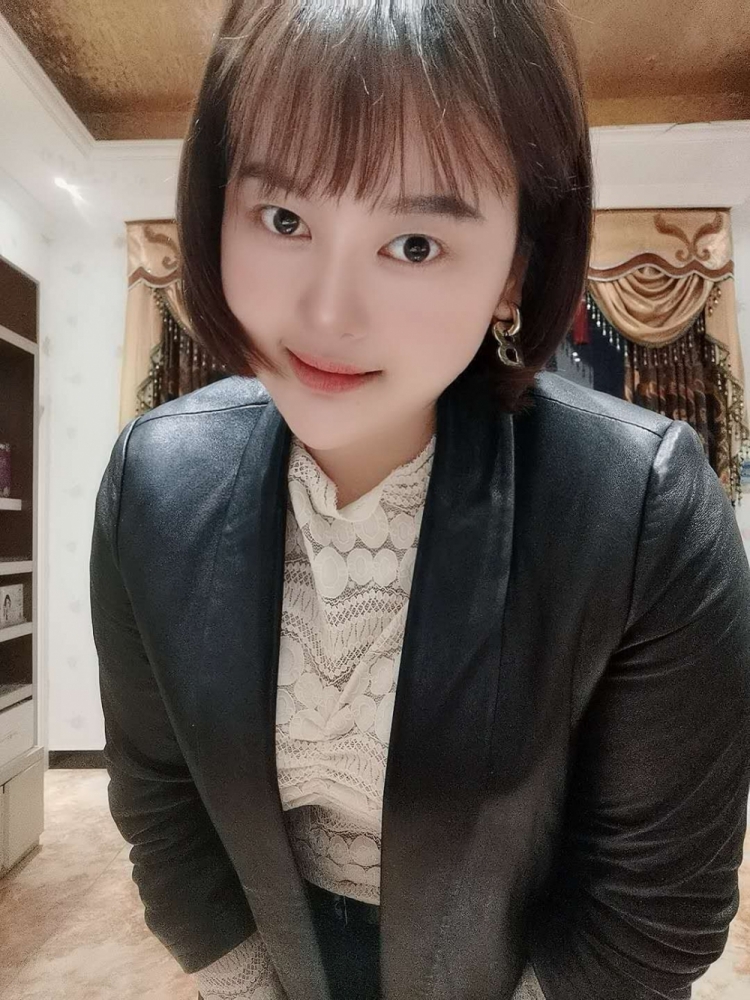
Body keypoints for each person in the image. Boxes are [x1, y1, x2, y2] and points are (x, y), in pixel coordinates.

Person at [89, 2, 750, 999]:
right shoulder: (152, 481)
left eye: (414, 244)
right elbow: (161, 804)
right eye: (283, 219)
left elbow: (656, 907)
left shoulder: (641, 508)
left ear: (515, 269)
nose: (326, 312)